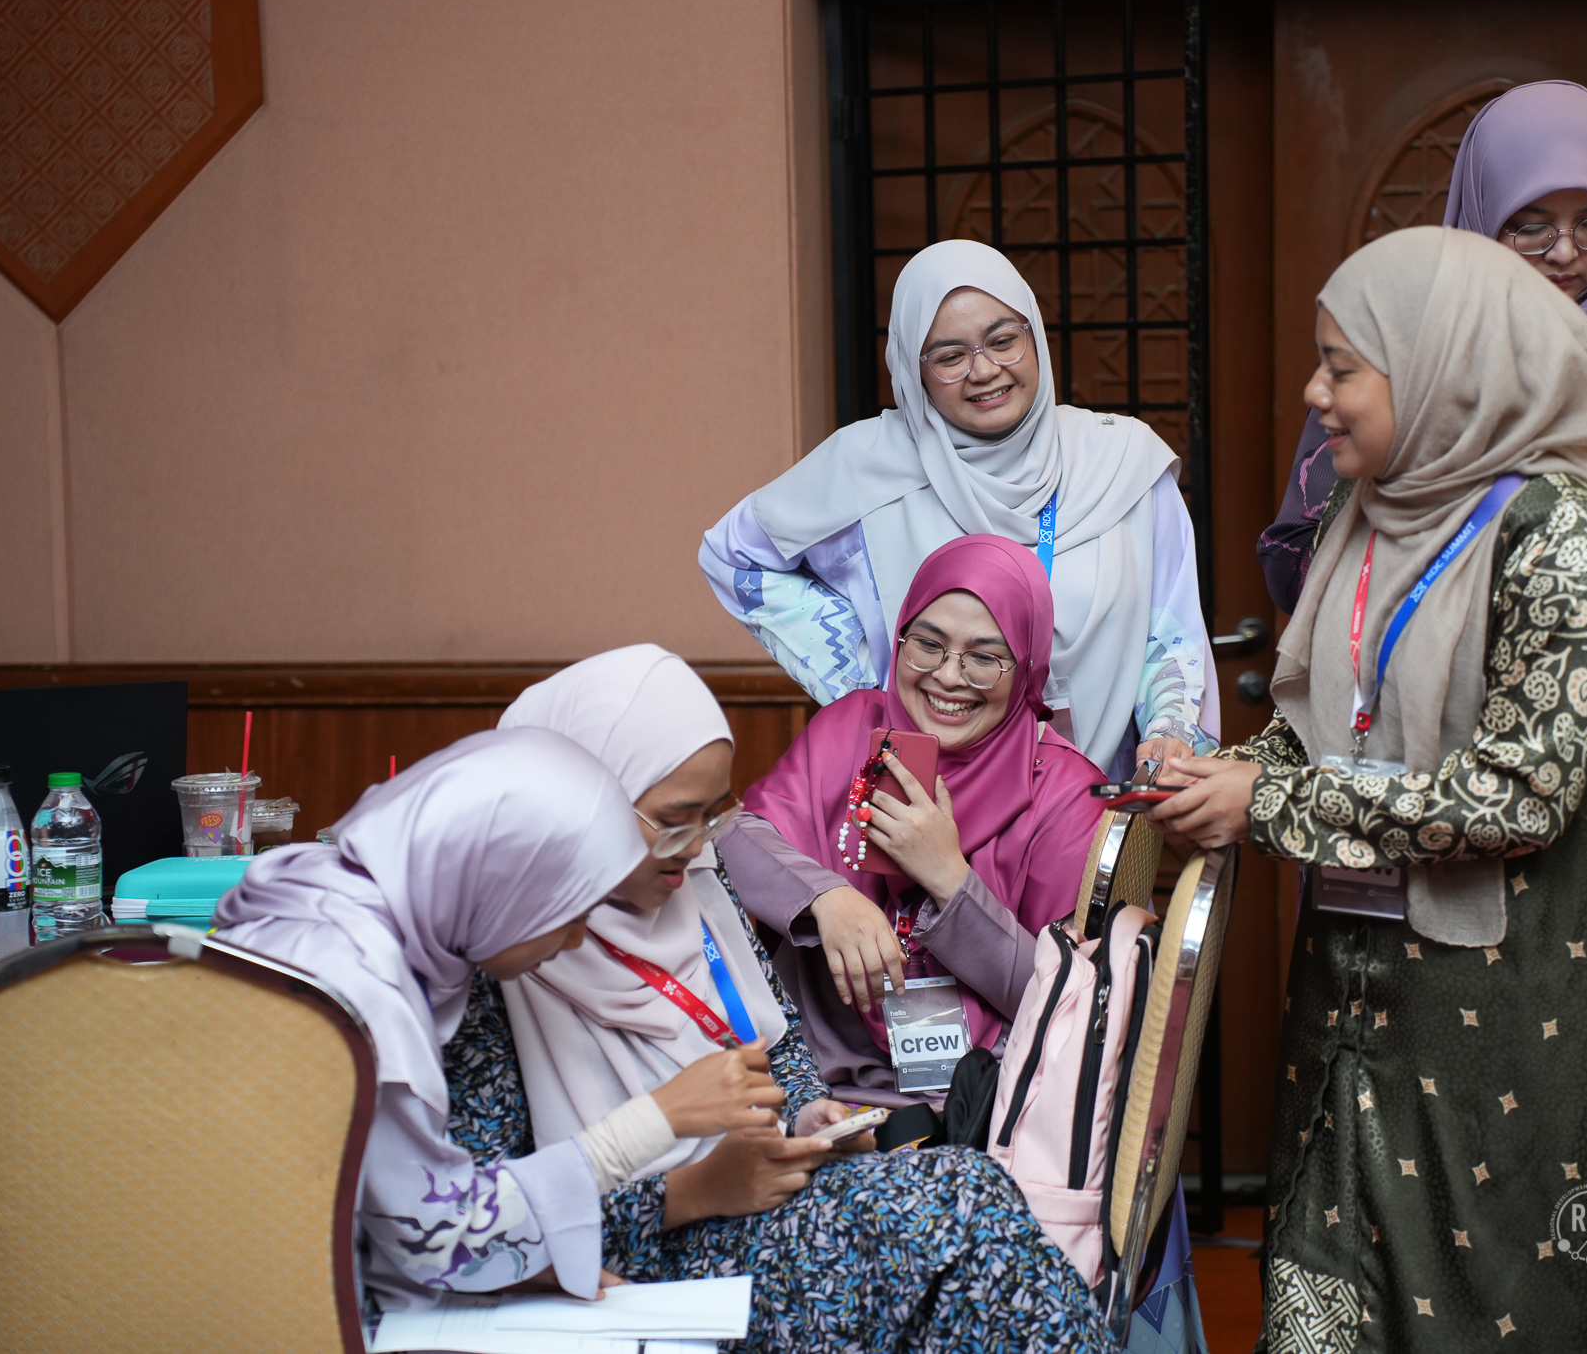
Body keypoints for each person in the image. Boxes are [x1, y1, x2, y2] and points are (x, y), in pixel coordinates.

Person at [1156, 227, 1587, 1349]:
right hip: (1354, 996)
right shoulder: (1371, 509)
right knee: (1329, 1282)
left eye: (1341, 367)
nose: (1315, 394)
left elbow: (1519, 793)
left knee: (1506, 1305)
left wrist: (1271, 805)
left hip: (1512, 1014)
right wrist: (1238, 771)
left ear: (1443, 364)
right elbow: (1333, 724)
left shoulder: (1562, 530)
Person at [473, 643, 1111, 1351]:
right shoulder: (502, 956)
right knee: (961, 1218)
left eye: (713, 817)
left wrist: (809, 1113)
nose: (698, 846)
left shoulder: (695, 878)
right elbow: (476, 1231)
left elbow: (774, 1041)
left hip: (764, 1190)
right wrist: (695, 1190)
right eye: (675, 820)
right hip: (651, 1250)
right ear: (585, 804)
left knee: (969, 1188)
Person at [1258, 80, 1587, 897]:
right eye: (1530, 224)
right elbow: (1296, 565)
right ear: (1481, 212)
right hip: (1427, 742)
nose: (1566, 253)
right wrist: (1420, 494)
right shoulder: (1406, 348)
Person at [213, 729, 779, 1311]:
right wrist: (650, 1124)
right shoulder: (362, 985)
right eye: (570, 913)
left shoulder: (323, 897)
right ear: (501, 886)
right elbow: (438, 1236)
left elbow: (380, 1211)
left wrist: (513, 1263)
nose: (576, 940)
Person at [700, 237, 1217, 779]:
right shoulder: (865, 467)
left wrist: (1168, 735)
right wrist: (871, 686)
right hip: (924, 800)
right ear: (913, 369)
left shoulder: (1123, 464)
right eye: (950, 356)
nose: (985, 370)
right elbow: (735, 556)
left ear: (1034, 335)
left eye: (1003, 340)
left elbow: (1171, 630)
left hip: (1090, 799)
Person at [722, 534, 1108, 1105]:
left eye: (984, 658)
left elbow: (1060, 1002)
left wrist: (948, 878)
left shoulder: (1066, 792)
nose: (948, 677)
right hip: (817, 1088)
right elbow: (733, 838)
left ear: (1027, 667)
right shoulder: (851, 729)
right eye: (927, 645)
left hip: (985, 1104)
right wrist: (828, 898)